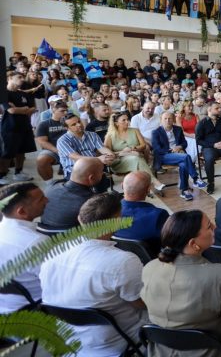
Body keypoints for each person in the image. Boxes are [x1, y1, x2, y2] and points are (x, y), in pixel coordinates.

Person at [141, 210, 221, 357]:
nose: (215, 227)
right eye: (209, 226)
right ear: (193, 244)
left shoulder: (149, 268)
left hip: (161, 350)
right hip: (213, 350)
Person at [41, 193, 147, 355]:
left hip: (64, 338)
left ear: (79, 219)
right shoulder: (123, 261)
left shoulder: (54, 251)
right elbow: (142, 304)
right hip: (115, 342)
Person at [0, 182, 48, 313]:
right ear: (22, 211)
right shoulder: (36, 243)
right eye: (41, 199)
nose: (47, 200)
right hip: (34, 308)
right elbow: (55, 280)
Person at [151, 111, 208, 201]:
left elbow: (184, 143)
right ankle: (195, 179)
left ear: (173, 119)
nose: (167, 120)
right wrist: (172, 150)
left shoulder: (178, 129)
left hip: (178, 154)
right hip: (164, 156)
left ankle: (184, 191)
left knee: (183, 165)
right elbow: (157, 149)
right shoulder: (156, 132)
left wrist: (180, 147)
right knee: (186, 157)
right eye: (165, 118)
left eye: (170, 118)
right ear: (161, 120)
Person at [104, 111, 166, 191]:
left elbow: (143, 145)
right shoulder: (110, 135)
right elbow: (107, 153)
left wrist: (133, 148)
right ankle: (154, 182)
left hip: (136, 156)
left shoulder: (135, 130)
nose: (127, 122)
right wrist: (123, 153)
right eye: (124, 120)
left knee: (136, 158)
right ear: (116, 123)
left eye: (127, 119)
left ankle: (143, 187)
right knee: (136, 158)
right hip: (119, 162)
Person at [113, 171, 169, 255]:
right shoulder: (158, 215)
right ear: (148, 190)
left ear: (122, 186)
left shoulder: (107, 213)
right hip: (152, 260)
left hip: (120, 257)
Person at [56, 114, 115, 190]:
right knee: (84, 193)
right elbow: (76, 157)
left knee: (102, 190)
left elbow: (102, 148)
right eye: (74, 124)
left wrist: (110, 155)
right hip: (74, 171)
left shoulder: (92, 135)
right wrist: (98, 159)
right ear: (66, 128)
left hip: (93, 167)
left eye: (79, 121)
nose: (79, 125)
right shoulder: (62, 140)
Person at [0, 72, 37, 185]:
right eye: (19, 77)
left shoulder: (23, 94)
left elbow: (33, 108)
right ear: (10, 78)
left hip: (24, 126)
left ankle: (18, 172)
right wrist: (24, 109)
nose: (22, 79)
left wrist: (19, 109)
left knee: (22, 151)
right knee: (7, 152)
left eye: (23, 77)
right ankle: (2, 175)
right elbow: (11, 110)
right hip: (9, 127)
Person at [35, 100, 69, 182]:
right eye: (62, 111)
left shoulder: (70, 121)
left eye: (66, 111)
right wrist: (58, 151)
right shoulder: (44, 124)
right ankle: (49, 183)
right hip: (54, 150)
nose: (65, 113)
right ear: (53, 110)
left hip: (71, 148)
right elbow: (42, 142)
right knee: (41, 160)